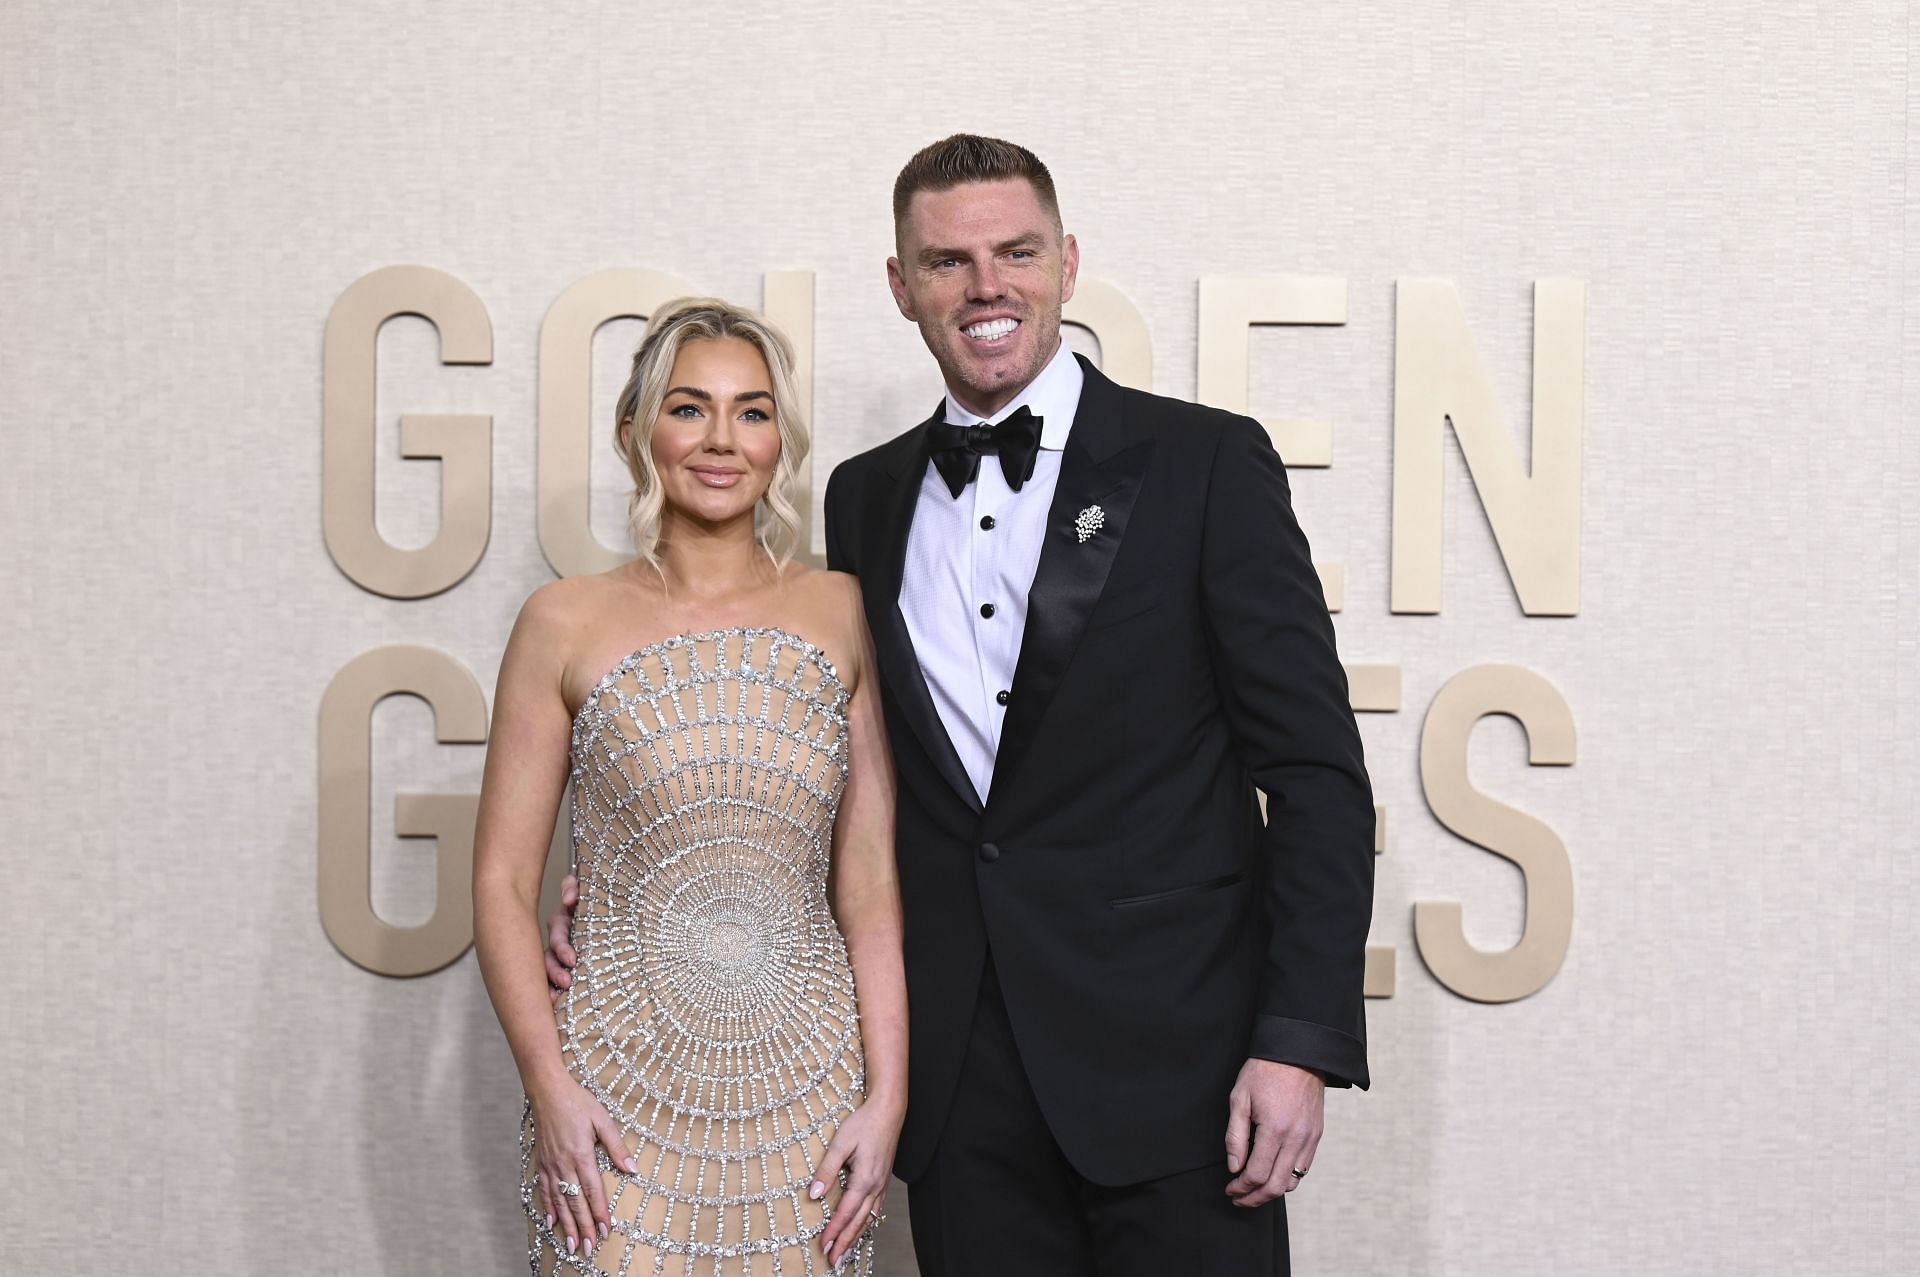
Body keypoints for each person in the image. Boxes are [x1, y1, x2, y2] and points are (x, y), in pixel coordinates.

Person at [552, 135, 1374, 1275]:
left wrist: (1297, 1042)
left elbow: (1318, 774)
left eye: (1015, 252)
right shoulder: (866, 495)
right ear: (902, 286)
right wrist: (649, 874)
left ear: (1068, 263)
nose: (985, 286)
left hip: (1179, 1078)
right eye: (946, 262)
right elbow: (842, 777)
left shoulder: (1207, 463)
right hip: (960, 1095)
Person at [474, 297, 907, 1275]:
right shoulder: (562, 620)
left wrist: (890, 1097)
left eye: (752, 412)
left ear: (780, 440)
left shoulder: (841, 609)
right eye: (688, 407)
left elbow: (871, 880)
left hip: (809, 1082)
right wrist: (548, 1087)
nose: (722, 439)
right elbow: (502, 881)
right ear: (635, 429)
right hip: (614, 1085)